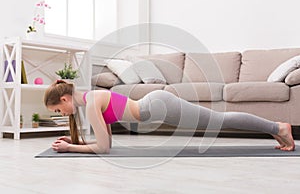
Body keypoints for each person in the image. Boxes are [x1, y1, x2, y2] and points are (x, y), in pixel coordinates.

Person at [44, 80, 295, 154]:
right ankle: (275, 129)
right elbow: (105, 140)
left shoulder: (90, 103)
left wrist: (70, 149)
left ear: (64, 99)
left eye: (57, 110)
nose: (61, 114)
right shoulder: (92, 98)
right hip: (156, 105)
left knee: (219, 120)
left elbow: (104, 148)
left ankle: (279, 126)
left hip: (158, 106)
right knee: (220, 120)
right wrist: (75, 143)